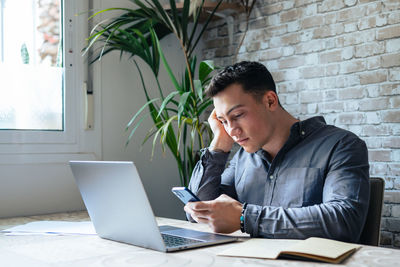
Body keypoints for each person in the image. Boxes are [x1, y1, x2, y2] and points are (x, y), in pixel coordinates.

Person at [184, 61, 370, 243]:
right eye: (223, 120)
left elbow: (344, 222)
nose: (231, 130)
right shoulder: (243, 158)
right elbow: (197, 211)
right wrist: (219, 144)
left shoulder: (341, 145)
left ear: (270, 101)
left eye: (238, 115)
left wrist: (245, 218)